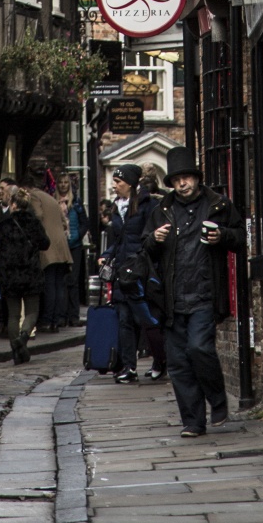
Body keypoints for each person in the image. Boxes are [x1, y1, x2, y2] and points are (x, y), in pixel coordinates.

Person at [144, 145, 245, 438]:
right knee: (178, 363)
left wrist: (221, 236)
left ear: (196, 178)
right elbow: (144, 248)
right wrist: (154, 238)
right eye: (176, 180)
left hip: (204, 294)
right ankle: (192, 421)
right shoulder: (161, 210)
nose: (182, 184)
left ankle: (217, 399)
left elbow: (240, 237)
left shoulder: (218, 205)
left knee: (199, 348)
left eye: (186, 177)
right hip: (173, 298)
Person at [105, 162, 151, 385]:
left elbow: (148, 237)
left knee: (145, 320)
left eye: (118, 182)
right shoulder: (117, 207)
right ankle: (128, 366)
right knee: (124, 319)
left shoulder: (146, 205)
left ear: (131, 184)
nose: (114, 185)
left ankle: (161, 362)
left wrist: (140, 258)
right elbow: (118, 239)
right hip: (122, 272)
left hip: (140, 271)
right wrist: (107, 254)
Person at [0, 185, 50, 364]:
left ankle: (16, 349)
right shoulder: (34, 223)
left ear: (12, 204)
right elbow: (45, 243)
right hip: (30, 272)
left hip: (9, 274)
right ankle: (24, 338)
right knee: (32, 312)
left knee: (13, 315)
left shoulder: (3, 225)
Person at [23, 157, 71, 333]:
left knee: (50, 285)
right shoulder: (50, 197)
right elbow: (64, 223)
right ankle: (56, 320)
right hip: (61, 247)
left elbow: (37, 216)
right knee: (58, 285)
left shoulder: (35, 196)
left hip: (49, 246)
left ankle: (47, 320)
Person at [136, 168, 167, 381]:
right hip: (149, 266)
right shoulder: (156, 204)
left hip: (152, 268)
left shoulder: (154, 206)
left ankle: (160, 359)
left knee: (152, 318)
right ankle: (159, 359)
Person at [57, 174, 89, 326]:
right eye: (60, 183)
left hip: (74, 245)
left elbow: (84, 222)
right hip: (60, 246)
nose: (63, 185)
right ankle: (62, 315)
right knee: (62, 281)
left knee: (73, 281)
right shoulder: (54, 202)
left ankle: (73, 315)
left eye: (65, 183)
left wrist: (77, 236)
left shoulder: (76, 202)